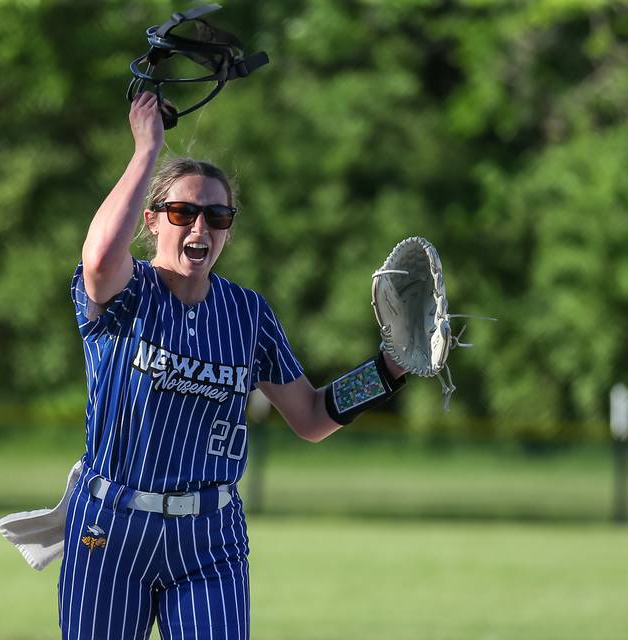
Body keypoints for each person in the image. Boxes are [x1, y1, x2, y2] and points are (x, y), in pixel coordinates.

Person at [58, 91, 407, 640]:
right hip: (111, 528)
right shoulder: (127, 293)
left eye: (216, 216)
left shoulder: (246, 313)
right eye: (182, 213)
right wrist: (146, 148)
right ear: (152, 221)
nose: (200, 229)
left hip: (210, 536)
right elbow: (99, 258)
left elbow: (311, 417)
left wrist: (387, 370)